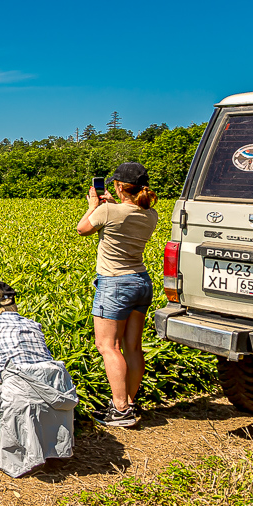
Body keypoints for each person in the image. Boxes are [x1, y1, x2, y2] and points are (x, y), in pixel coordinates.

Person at [0, 281, 78, 478]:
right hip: (56, 395)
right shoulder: (32, 324)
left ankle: (18, 444)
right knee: (14, 394)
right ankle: (45, 445)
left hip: (21, 392)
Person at [76, 161, 159, 428]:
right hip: (141, 282)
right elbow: (124, 214)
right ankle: (128, 403)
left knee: (108, 346)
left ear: (120, 186)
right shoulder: (151, 214)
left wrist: (93, 205)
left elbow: (82, 229)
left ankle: (121, 410)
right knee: (132, 347)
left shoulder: (108, 211)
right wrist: (111, 204)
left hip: (115, 284)